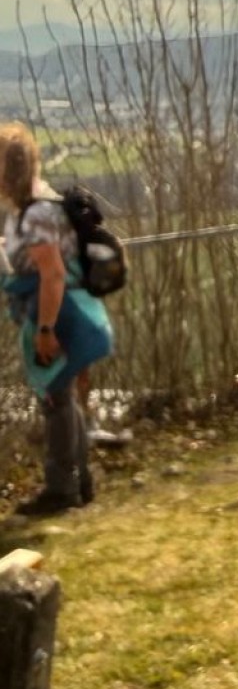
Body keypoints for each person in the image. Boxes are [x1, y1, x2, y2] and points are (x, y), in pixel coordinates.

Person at [0, 122, 112, 516]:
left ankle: (62, 488)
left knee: (55, 399)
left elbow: (52, 273)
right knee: (61, 396)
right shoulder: (34, 207)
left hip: (57, 314)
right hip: (59, 310)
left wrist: (46, 331)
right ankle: (79, 483)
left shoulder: (36, 214)